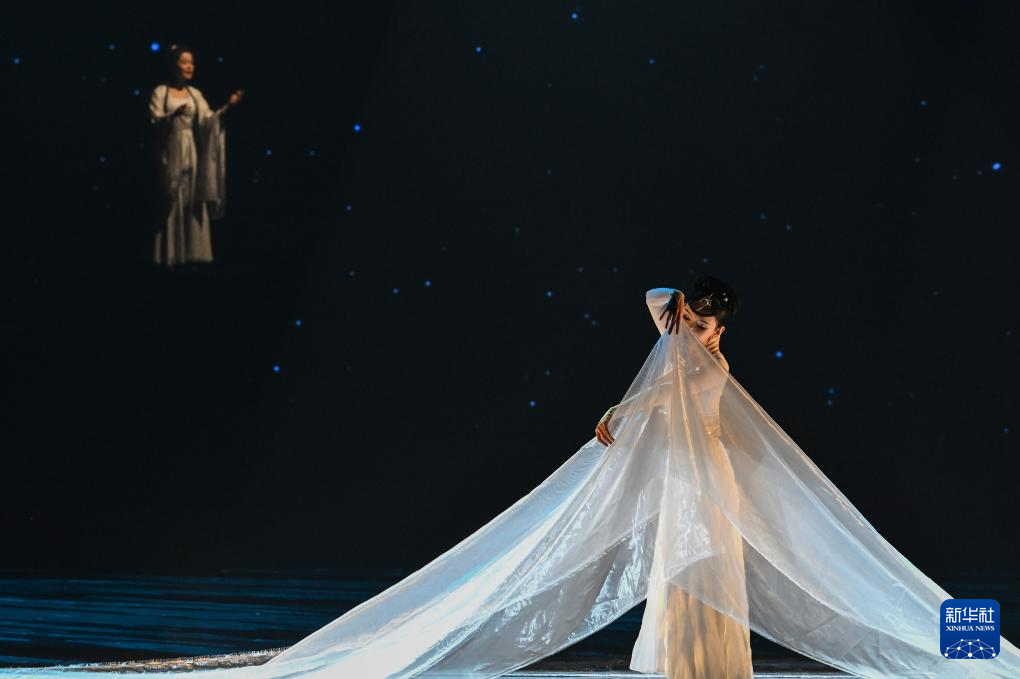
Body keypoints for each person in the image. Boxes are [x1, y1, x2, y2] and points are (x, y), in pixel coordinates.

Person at [5, 279, 1020, 678]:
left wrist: (656, 372)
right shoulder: (684, 349)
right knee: (682, 560)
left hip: (700, 466)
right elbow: (654, 320)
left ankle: (714, 660)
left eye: (705, 316)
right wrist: (639, 384)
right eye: (702, 315)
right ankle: (685, 660)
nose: (697, 323)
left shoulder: (700, 357)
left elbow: (666, 374)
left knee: (712, 558)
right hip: (685, 467)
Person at [148, 44, 244, 268]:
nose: (189, 66)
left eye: (191, 62)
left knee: (191, 198)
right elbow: (153, 120)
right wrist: (172, 116)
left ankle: (192, 253)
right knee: (171, 198)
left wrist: (227, 107)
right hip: (170, 150)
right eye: (184, 62)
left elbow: (208, 122)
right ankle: (169, 254)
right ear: (173, 65)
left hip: (191, 151)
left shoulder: (195, 94)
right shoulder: (160, 92)